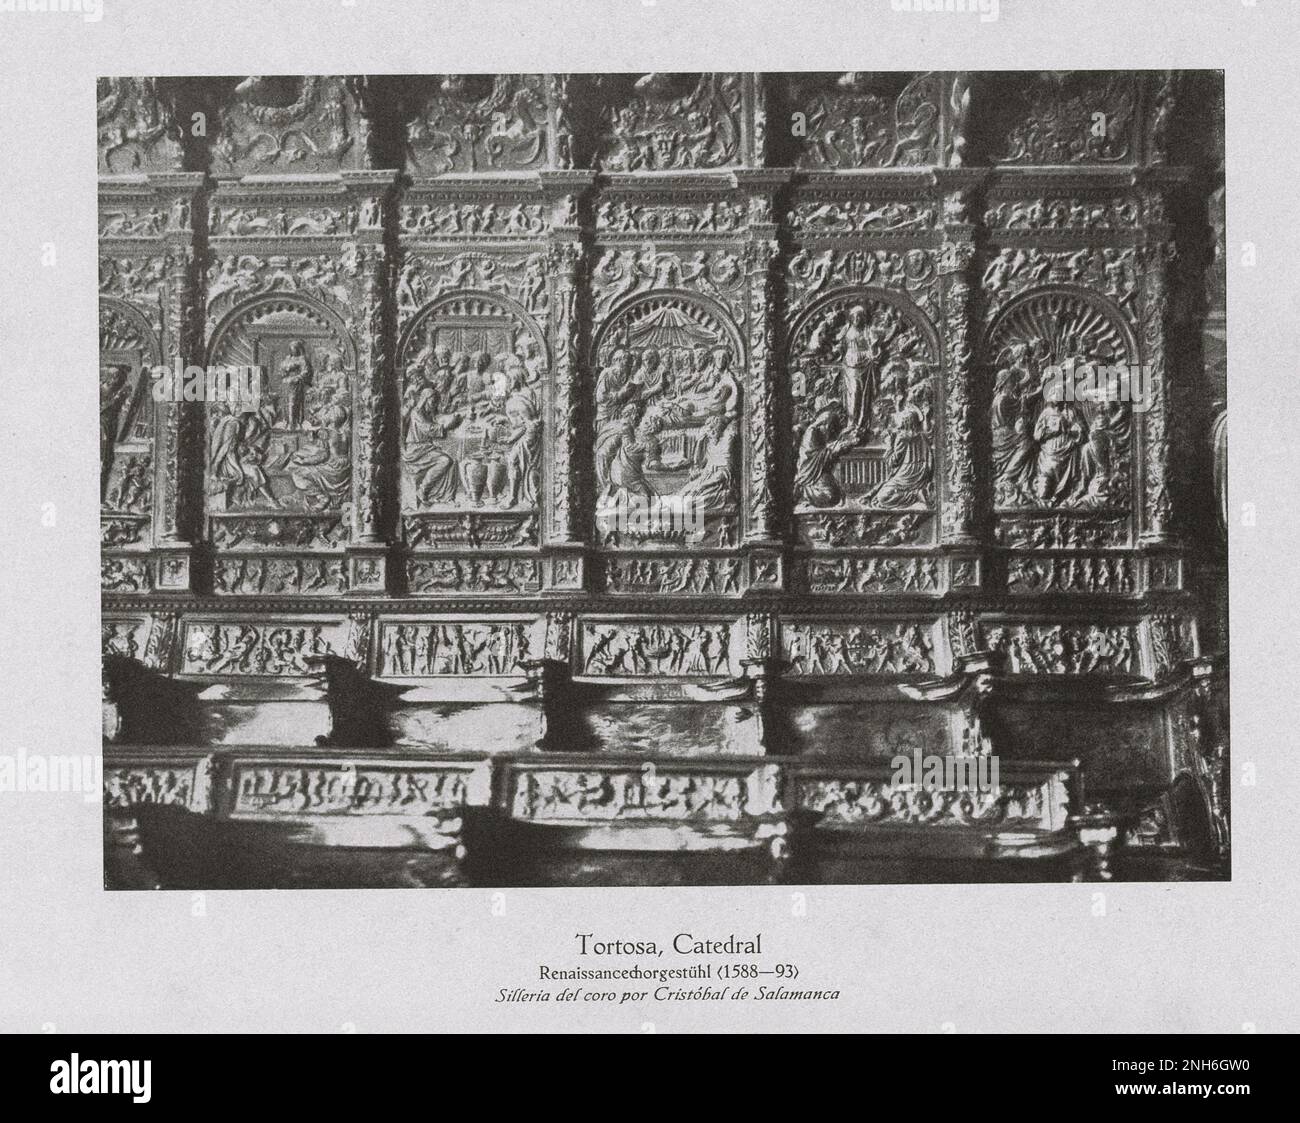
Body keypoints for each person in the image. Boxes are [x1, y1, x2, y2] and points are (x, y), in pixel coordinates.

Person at [794, 398, 857, 508]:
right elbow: (814, 456)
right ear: (823, 423)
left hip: (819, 471)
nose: (830, 430)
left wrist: (842, 442)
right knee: (831, 496)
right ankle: (803, 491)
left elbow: (827, 447)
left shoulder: (820, 431)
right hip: (810, 475)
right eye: (829, 426)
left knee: (834, 494)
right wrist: (840, 447)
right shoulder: (811, 433)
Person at [278, 341, 313, 428]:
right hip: (286, 384)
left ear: (298, 349)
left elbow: (306, 372)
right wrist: (283, 372)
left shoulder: (302, 359)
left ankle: (293, 423)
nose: (293, 350)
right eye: (292, 348)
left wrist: (296, 378)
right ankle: (286, 421)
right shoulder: (287, 358)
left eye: (295, 348)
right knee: (285, 403)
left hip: (296, 385)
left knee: (292, 403)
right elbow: (281, 370)